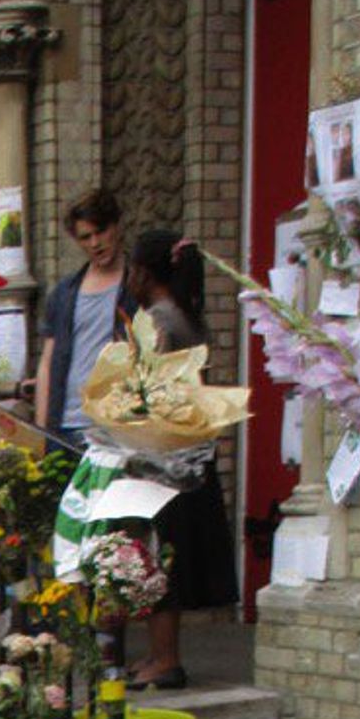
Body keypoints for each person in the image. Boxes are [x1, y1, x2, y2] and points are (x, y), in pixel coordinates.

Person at [124, 229, 239, 690]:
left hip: (165, 458)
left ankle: (165, 658)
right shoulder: (188, 316)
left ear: (144, 272)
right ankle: (158, 654)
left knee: (159, 557)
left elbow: (147, 393)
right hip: (191, 453)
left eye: (131, 270)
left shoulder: (157, 323)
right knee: (166, 555)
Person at [34, 186, 137, 447]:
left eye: (100, 232)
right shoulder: (64, 293)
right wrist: (41, 430)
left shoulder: (138, 285)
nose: (95, 243)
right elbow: (48, 362)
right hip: (65, 425)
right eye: (85, 237)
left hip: (117, 427)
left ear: (116, 226)